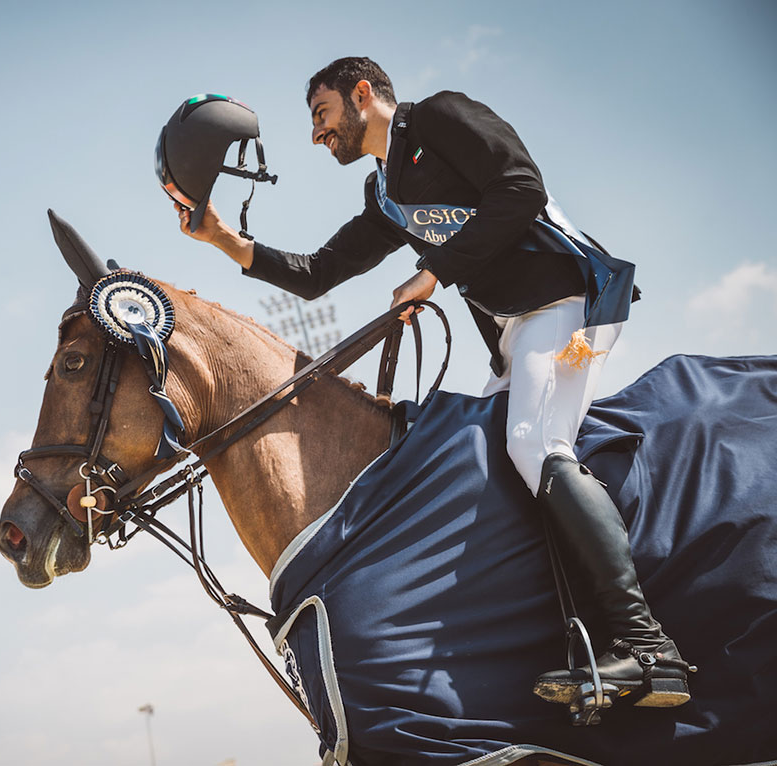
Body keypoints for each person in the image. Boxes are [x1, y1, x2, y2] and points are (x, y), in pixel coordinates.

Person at [163, 56, 694, 712]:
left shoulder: (441, 116)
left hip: (571, 305)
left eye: (323, 115)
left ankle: (650, 648)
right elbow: (319, 271)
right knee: (487, 470)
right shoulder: (385, 194)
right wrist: (221, 239)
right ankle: (579, 644)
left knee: (534, 445)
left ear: (364, 94)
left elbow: (522, 188)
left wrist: (433, 271)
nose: (316, 134)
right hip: (515, 333)